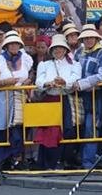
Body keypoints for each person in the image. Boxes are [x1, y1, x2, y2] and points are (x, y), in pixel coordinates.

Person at [0, 32, 34, 174]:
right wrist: (6, 82)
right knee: (2, 129)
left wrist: (28, 81)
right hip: (4, 98)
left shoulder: (26, 58)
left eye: (16, 44)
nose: (14, 46)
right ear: (6, 46)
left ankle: (17, 159)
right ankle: (2, 161)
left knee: (19, 131)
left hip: (21, 98)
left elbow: (31, 73)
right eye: (11, 44)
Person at [33, 35, 80, 169]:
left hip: (65, 99)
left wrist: (64, 82)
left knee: (66, 130)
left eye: (60, 48)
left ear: (65, 50)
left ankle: (63, 160)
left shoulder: (75, 65)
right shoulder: (44, 64)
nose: (58, 50)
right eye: (55, 48)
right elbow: (38, 81)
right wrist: (47, 83)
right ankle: (47, 163)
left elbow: (75, 78)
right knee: (48, 132)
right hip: (49, 99)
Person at [72, 27, 102, 169]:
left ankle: (87, 162)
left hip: (96, 96)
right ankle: (81, 158)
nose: (88, 40)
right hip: (80, 95)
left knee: (91, 128)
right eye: (86, 38)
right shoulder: (78, 52)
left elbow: (101, 76)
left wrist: (81, 84)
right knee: (80, 128)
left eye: (91, 37)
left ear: (96, 39)